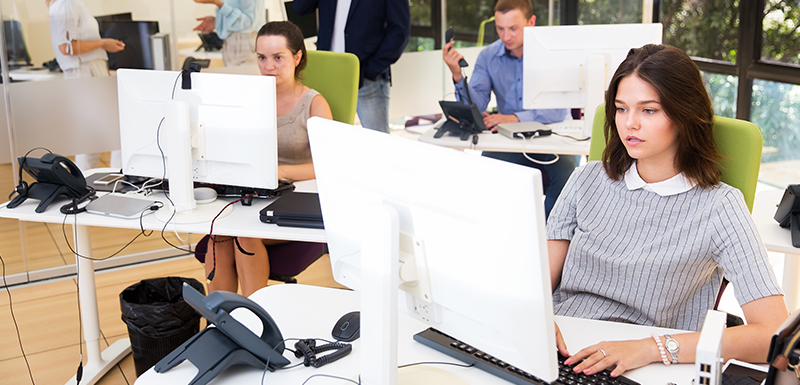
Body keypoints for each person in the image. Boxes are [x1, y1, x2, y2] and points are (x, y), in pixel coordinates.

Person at [548, 44, 788, 377]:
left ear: (685, 114)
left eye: (648, 110)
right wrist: (535, 321)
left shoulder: (720, 207)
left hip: (644, 368)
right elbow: (540, 281)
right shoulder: (587, 178)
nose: (629, 123)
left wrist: (650, 348)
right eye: (620, 108)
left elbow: (774, 334)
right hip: (562, 348)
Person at [203, 21, 332, 296]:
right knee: (219, 235)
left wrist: (279, 171)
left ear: (297, 57)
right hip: (253, 197)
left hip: (298, 202)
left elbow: (329, 167)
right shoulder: (248, 101)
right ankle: (220, 323)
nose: (268, 66)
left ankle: (254, 325)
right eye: (262, 58)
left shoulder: (313, 104)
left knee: (243, 234)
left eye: (278, 57)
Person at [442, 0, 577, 218]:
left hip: (551, 132)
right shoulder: (489, 56)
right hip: (508, 137)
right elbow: (477, 106)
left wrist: (514, 117)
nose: (506, 36)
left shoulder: (552, 53)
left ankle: (546, 235)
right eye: (500, 28)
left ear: (531, 22)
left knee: (568, 175)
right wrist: (457, 74)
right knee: (485, 175)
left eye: (513, 28)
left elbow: (557, 112)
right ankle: (501, 228)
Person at [293, 0, 410, 133]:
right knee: (329, 137)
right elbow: (300, 7)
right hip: (329, 72)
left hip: (366, 77)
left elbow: (400, 32)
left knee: (377, 143)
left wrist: (371, 70)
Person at [47, 0, 125, 172]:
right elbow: (67, 47)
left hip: (87, 74)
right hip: (85, 74)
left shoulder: (66, 4)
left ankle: (95, 185)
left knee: (93, 140)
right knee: (115, 135)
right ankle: (116, 182)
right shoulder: (67, 4)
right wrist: (104, 43)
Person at [193, 0, 265, 67]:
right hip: (232, 43)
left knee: (245, 78)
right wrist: (217, 21)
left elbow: (248, 23)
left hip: (244, 43)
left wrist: (218, 3)